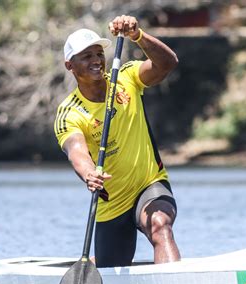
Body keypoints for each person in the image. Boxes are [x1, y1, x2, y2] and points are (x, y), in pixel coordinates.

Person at [54, 15, 180, 268]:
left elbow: (167, 63)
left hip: (149, 183)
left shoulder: (126, 77)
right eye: (86, 56)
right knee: (111, 265)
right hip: (111, 202)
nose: (96, 61)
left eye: (99, 53)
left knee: (159, 224)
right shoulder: (70, 113)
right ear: (70, 65)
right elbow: (76, 151)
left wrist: (138, 36)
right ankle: (94, 262)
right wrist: (90, 174)